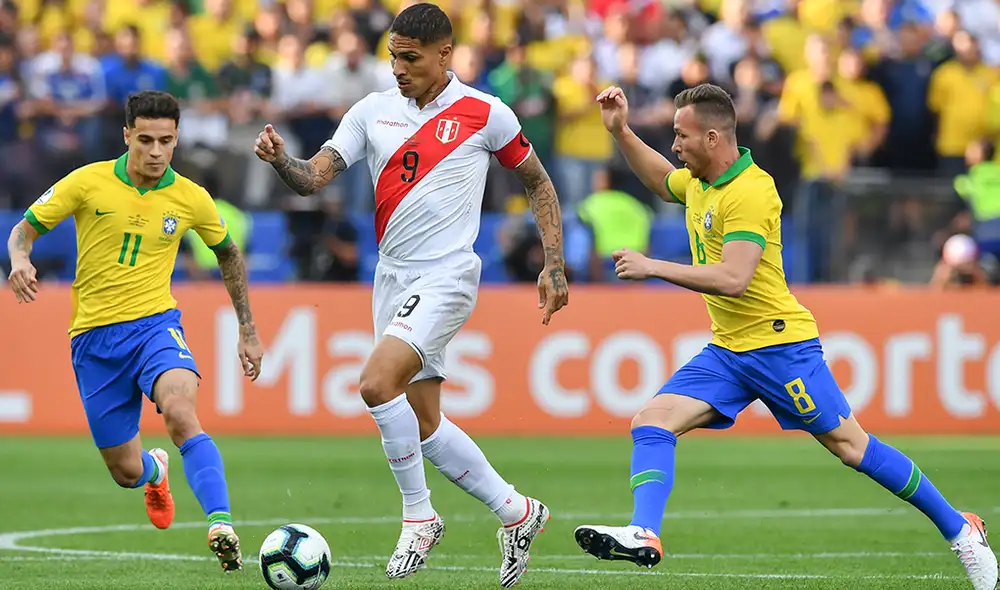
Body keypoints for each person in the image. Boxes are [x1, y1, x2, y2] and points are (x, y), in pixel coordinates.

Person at [572, 83, 998, 590]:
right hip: (729, 350)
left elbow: (735, 278)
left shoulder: (751, 191)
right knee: (651, 422)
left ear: (713, 138)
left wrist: (654, 267)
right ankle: (644, 531)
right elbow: (664, 182)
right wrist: (621, 131)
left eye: (682, 135)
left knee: (852, 447)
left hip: (779, 348)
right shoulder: (700, 181)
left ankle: (961, 530)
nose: (675, 145)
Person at [254, 4, 568, 586]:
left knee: (376, 384)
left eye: (411, 58)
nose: (398, 68)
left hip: (447, 276)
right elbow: (314, 177)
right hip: (392, 277)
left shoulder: (485, 113)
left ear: (445, 54)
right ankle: (517, 511)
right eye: (393, 56)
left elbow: (538, 181)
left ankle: (419, 516)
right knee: (423, 423)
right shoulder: (371, 111)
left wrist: (554, 263)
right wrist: (281, 161)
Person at [5, 90, 264, 574]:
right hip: (94, 341)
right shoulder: (88, 181)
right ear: (127, 135)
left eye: (166, 141)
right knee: (126, 472)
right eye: (145, 140)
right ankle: (155, 469)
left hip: (155, 327)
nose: (156, 151)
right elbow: (25, 228)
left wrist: (247, 330)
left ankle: (221, 524)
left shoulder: (190, 197)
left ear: (176, 138)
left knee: (181, 411)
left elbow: (228, 253)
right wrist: (20, 259)